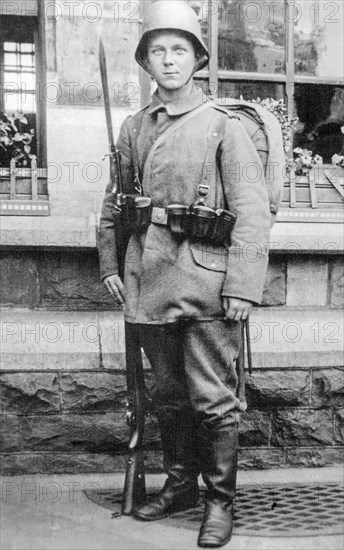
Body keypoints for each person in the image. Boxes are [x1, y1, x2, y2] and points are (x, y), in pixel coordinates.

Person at [98, 1, 271, 547]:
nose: (168, 60)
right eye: (157, 50)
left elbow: (252, 211)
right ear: (146, 62)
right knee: (168, 396)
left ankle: (220, 503)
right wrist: (109, 263)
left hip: (206, 284)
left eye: (178, 50)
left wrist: (243, 286)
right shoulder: (132, 127)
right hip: (146, 283)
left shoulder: (224, 126)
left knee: (213, 400)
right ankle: (180, 487)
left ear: (196, 60)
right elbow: (114, 204)